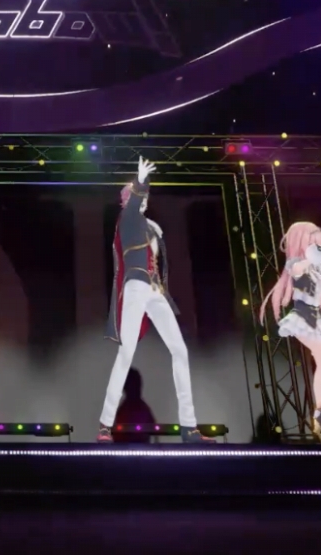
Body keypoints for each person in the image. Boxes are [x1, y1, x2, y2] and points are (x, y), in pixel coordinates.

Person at [97, 158, 213, 443]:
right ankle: (105, 425)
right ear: (127, 200)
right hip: (136, 287)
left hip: (154, 290)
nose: (144, 198)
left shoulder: (148, 226)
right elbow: (136, 202)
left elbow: (158, 261)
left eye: (145, 196)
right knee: (126, 354)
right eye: (139, 195)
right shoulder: (127, 219)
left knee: (180, 351)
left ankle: (189, 427)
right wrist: (140, 180)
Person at [264, 221, 321, 443]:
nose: (320, 244)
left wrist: (316, 258)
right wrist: (311, 257)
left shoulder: (318, 267)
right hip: (302, 318)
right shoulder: (297, 263)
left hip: (314, 317)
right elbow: (297, 270)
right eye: (315, 239)